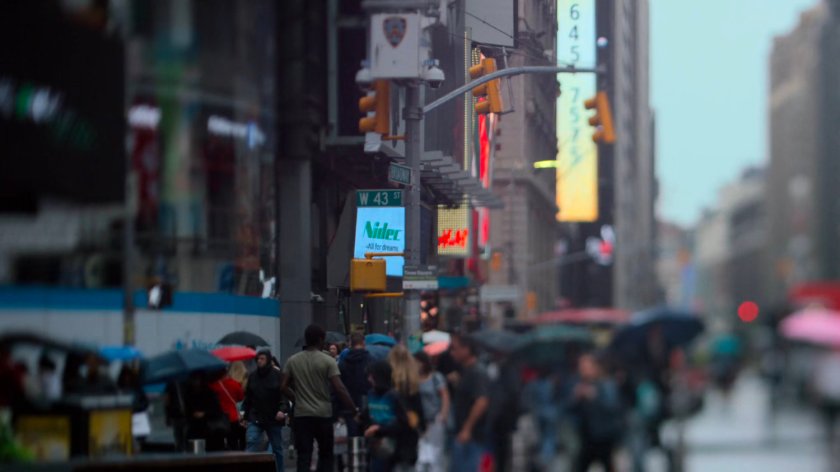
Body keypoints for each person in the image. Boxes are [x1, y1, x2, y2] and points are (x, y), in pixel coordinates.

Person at [281, 324, 358, 472]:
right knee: (326, 454)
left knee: (304, 455)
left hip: (302, 414)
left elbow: (283, 386)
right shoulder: (328, 361)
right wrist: (353, 408)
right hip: (323, 414)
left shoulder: (293, 360)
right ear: (320, 339)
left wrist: (296, 398)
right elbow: (339, 388)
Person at [361, 360, 417, 472]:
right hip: (376, 447)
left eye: (371, 376)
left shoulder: (394, 396)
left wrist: (380, 429)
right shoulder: (371, 394)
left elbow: (403, 423)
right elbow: (367, 416)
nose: (369, 379)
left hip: (394, 448)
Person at [570, 353, 622, 472]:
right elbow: (569, 410)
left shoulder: (606, 384)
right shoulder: (579, 385)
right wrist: (575, 398)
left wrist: (594, 396)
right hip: (588, 438)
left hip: (604, 438)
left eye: (585, 366)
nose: (582, 370)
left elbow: (613, 408)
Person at [243, 349, 289, 470]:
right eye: (258, 359)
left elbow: (284, 395)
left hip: (274, 416)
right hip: (256, 416)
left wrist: (282, 410)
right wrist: (245, 415)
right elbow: (248, 397)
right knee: (251, 444)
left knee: (276, 448)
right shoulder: (253, 376)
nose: (259, 361)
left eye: (262, 359)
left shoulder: (277, 375)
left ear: (268, 360)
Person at [449, 333, 490, 472]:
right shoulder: (467, 371)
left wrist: (467, 428)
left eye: (455, 348)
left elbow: (482, 401)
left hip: (471, 438)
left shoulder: (476, 372)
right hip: (464, 435)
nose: (452, 353)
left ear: (466, 349)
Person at [414, 351, 449, 472]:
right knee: (422, 453)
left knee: (436, 452)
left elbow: (444, 395)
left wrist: (443, 414)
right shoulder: (414, 379)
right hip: (420, 421)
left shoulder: (435, 377)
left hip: (435, 419)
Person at [183, 372, 228, 452]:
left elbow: (217, 410)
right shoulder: (188, 393)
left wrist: (204, 413)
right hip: (195, 428)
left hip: (209, 429)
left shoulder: (209, 393)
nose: (195, 382)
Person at [339, 333, 373, 436]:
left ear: (351, 344)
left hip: (349, 405)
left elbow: (339, 386)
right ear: (363, 343)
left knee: (352, 436)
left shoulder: (343, 362)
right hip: (367, 404)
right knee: (367, 436)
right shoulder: (370, 360)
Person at [211, 361, 247, 450]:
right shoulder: (234, 384)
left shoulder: (213, 385)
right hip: (233, 417)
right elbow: (241, 397)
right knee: (233, 442)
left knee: (218, 443)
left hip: (219, 417)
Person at [814, 349, 840, 446]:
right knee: (829, 421)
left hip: (833, 396)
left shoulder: (824, 361)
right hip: (829, 397)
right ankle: (831, 439)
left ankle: (833, 438)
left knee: (832, 421)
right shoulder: (824, 361)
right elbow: (820, 380)